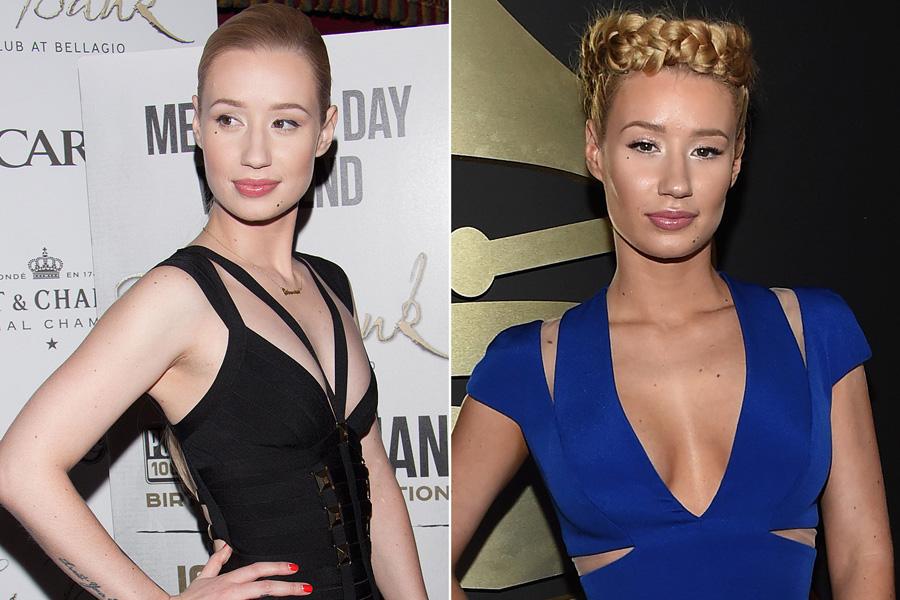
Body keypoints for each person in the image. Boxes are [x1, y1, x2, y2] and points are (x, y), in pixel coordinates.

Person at [451, 9, 893, 599]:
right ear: (595, 150)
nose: (676, 183)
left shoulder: (816, 331)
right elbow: (417, 556)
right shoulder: (531, 364)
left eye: (705, 150)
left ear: (737, 160)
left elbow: (865, 557)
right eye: (645, 145)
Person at [0, 5, 429, 600]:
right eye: (229, 119)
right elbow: (20, 469)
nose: (255, 153)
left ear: (325, 130)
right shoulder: (178, 297)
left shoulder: (330, 282)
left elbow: (372, 469)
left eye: (285, 122)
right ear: (197, 126)